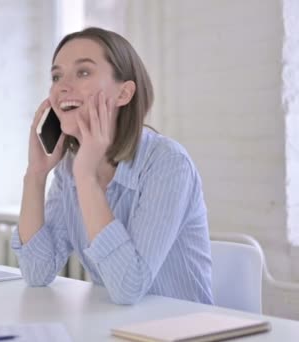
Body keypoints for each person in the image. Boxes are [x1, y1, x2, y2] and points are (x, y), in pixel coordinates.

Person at [11, 27, 213, 305]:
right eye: (56, 76)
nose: (62, 87)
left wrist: (86, 178)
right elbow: (36, 272)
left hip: (184, 329)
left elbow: (129, 287)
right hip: (115, 327)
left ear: (124, 93)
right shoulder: (68, 170)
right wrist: (35, 175)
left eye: (83, 72)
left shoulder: (168, 164)